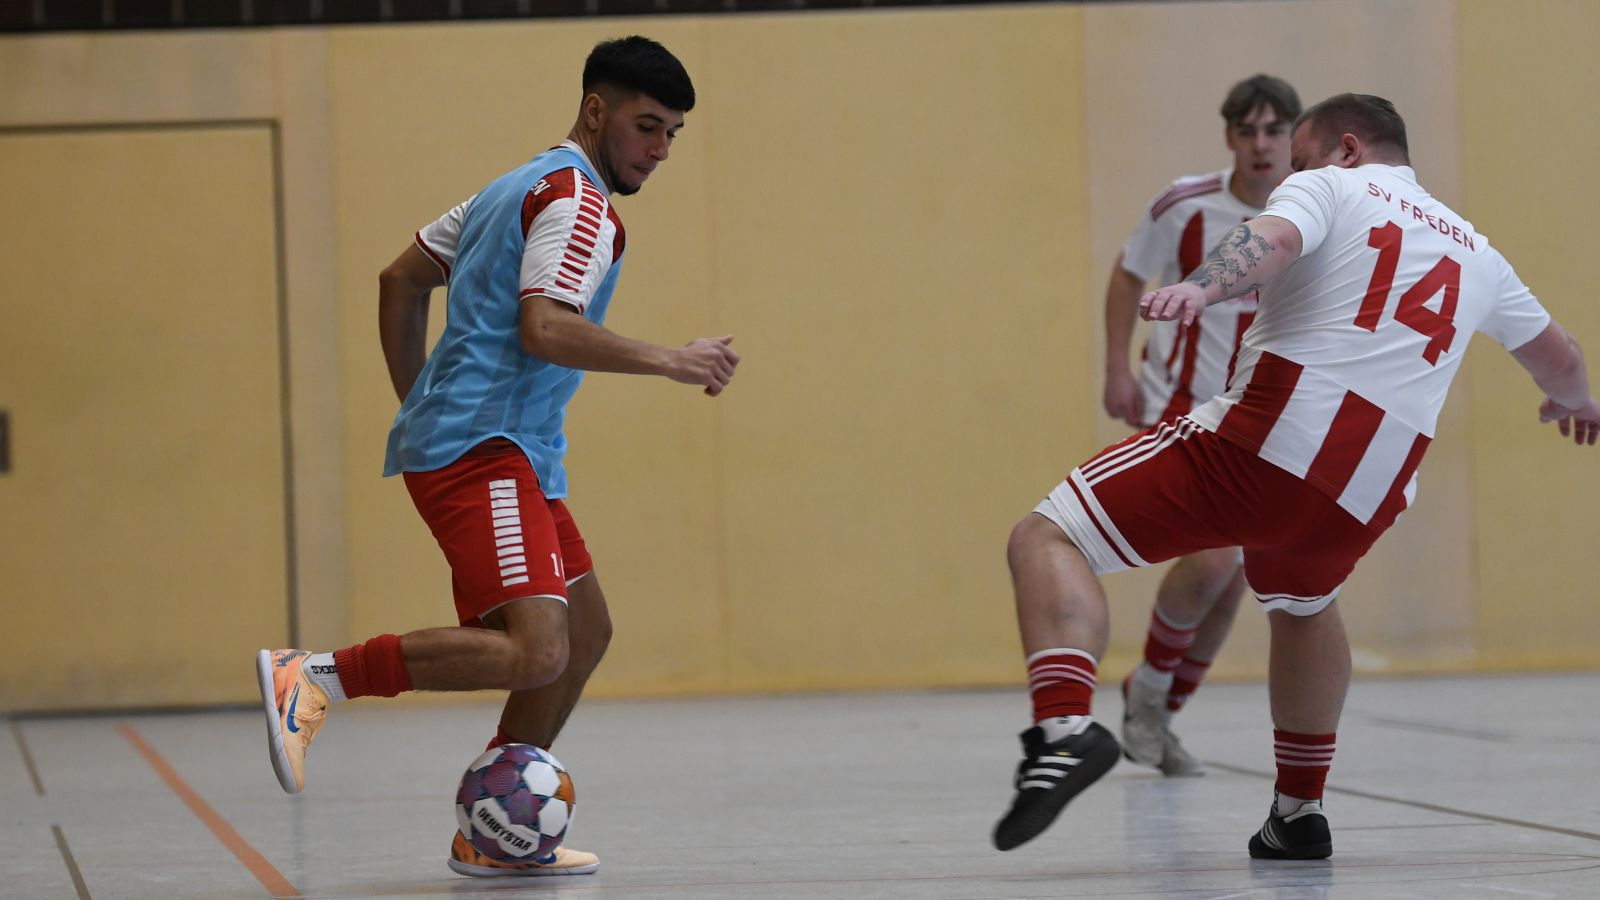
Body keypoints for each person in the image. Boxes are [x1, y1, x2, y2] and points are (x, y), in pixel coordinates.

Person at [993, 93, 1598, 859]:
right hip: (1371, 487)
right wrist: (1575, 403)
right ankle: (1298, 812)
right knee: (1304, 603)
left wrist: (1202, 286)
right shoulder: (1478, 250)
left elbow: (1272, 238)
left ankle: (1064, 729)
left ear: (1346, 148)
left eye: (1300, 159)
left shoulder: (1332, 185)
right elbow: (1560, 354)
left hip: (1275, 436)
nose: (1289, 174)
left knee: (1048, 535)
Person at [255, 36, 741, 878]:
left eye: (673, 133)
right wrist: (671, 359)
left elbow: (400, 280)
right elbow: (545, 326)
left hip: (506, 452)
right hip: (485, 450)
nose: (660, 149)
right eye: (647, 126)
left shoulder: (511, 187)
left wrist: (420, 404)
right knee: (537, 649)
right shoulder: (579, 204)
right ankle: (315, 677)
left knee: (583, 633)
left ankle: (490, 830)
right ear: (596, 111)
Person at [1101, 75, 1300, 777]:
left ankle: (1155, 709)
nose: (1261, 144)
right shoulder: (1184, 206)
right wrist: (1117, 367)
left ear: (1294, 138)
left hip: (1261, 419)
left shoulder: (1314, 211)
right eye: (1248, 131)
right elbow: (1128, 275)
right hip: (1181, 406)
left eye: (1274, 130)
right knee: (1215, 559)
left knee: (1236, 576)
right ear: (1229, 138)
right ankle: (1149, 698)